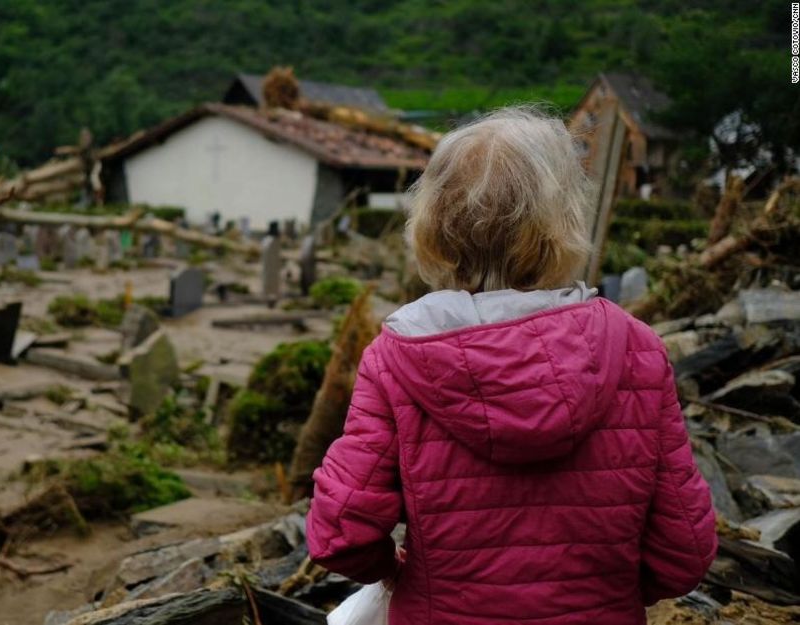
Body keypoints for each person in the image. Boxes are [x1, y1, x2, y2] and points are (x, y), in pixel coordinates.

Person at [306, 107, 716, 624]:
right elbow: (686, 550)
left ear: (432, 223)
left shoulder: (398, 356)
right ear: (564, 219)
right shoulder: (637, 347)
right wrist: (609, 595)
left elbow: (340, 534)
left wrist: (394, 571)